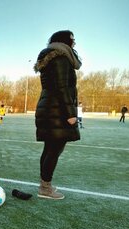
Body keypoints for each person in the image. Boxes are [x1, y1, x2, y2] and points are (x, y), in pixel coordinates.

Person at [34, 30, 82, 199]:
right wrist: (70, 113)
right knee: (54, 149)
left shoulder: (53, 57)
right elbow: (61, 87)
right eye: (72, 40)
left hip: (51, 107)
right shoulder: (61, 58)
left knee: (50, 148)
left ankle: (44, 184)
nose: (74, 43)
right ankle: (45, 188)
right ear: (64, 41)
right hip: (57, 109)